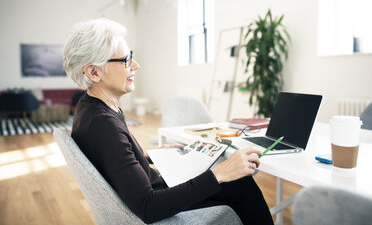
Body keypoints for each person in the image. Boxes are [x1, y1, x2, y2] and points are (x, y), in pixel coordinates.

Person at [63, 18, 274, 225]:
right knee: (240, 184)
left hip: (152, 187)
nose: (136, 65)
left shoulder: (89, 107)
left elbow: (113, 157)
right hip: (157, 203)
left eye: (132, 56)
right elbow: (148, 206)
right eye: (126, 60)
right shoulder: (104, 124)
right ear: (93, 72)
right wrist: (220, 173)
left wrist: (152, 156)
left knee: (235, 183)